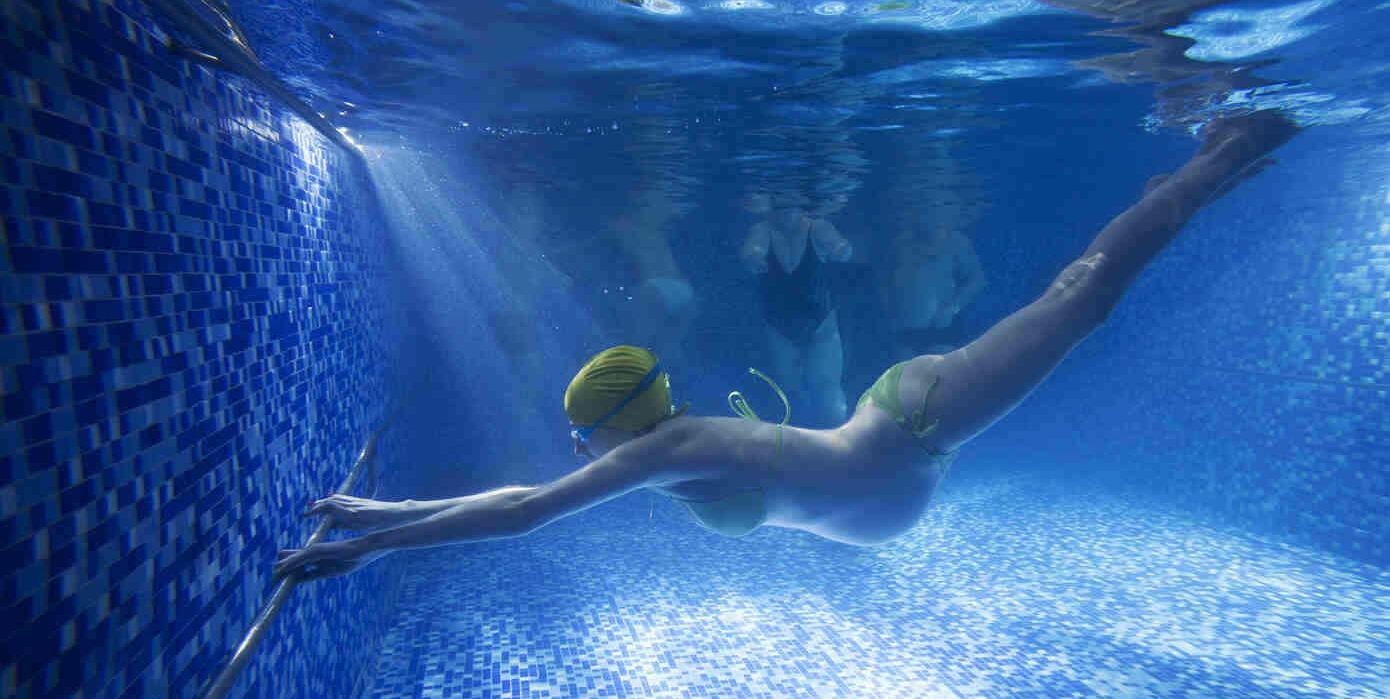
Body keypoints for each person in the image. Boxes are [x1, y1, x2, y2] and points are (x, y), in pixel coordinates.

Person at [276, 111, 1298, 581]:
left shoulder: (666, 453)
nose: (577, 447)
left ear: (618, 424)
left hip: (913, 422)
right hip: (890, 438)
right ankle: (1213, 167)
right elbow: (527, 500)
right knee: (1076, 305)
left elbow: (525, 511)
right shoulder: (666, 447)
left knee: (1080, 301)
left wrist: (374, 538)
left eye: (581, 430)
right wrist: (381, 511)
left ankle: (1219, 157)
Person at [739, 191, 856, 425]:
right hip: (779, 325)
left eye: (793, 205)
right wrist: (752, 257)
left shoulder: (818, 227)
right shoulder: (762, 230)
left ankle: (837, 440)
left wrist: (840, 249)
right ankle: (802, 444)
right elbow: (751, 248)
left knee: (826, 386)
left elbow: (840, 245)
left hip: (820, 322)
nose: (788, 210)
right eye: (782, 206)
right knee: (789, 389)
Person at [880, 224, 989, 361]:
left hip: (941, 331)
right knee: (907, 379)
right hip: (905, 330)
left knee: (941, 379)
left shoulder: (956, 241)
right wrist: (889, 311)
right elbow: (884, 278)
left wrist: (952, 309)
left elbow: (977, 281)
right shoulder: (901, 241)